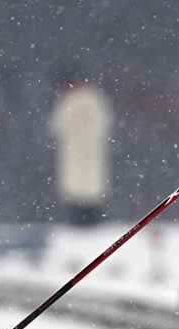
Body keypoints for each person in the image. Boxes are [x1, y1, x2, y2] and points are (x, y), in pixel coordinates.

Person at [49, 76, 113, 226]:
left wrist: (88, 134)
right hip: (74, 150)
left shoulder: (94, 100)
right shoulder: (67, 102)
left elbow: (102, 122)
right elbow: (58, 125)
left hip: (90, 149)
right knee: (76, 188)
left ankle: (93, 219)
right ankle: (78, 219)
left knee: (92, 186)